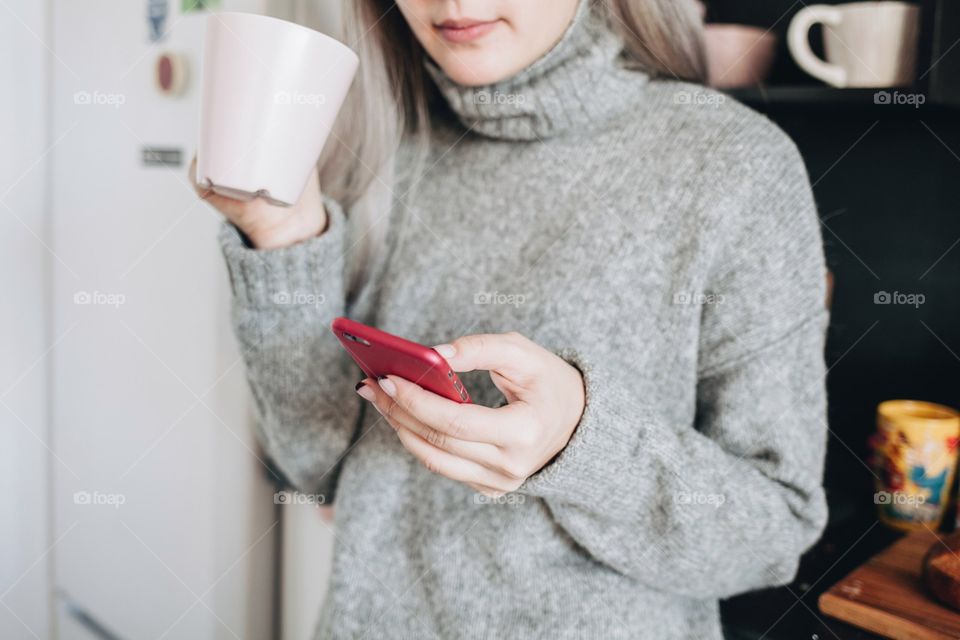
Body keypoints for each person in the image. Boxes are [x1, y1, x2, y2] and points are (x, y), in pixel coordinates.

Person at [192, 0, 830, 637]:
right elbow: (320, 469)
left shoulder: (736, 165)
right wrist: (281, 235)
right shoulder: (384, 144)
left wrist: (580, 441)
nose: (452, 4)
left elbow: (771, 534)